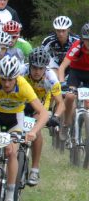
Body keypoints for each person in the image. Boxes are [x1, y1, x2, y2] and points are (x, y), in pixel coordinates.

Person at [0, 56, 48, 201]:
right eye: (3, 79)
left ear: (16, 78)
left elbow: (43, 113)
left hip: (16, 120)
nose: (7, 83)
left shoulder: (23, 85)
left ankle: (9, 196)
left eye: (10, 80)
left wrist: (33, 132)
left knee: (11, 151)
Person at [22, 47, 64, 186]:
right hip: (21, 102)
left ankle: (34, 169)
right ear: (29, 65)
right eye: (34, 67)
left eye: (41, 68)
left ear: (45, 68)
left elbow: (60, 103)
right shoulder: (21, 71)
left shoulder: (51, 77)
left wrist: (56, 117)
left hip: (40, 104)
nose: (37, 71)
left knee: (36, 130)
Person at [57, 23, 89, 140]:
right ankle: (66, 124)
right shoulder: (77, 46)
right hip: (76, 73)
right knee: (70, 97)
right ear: (83, 39)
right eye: (87, 40)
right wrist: (62, 83)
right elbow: (62, 67)